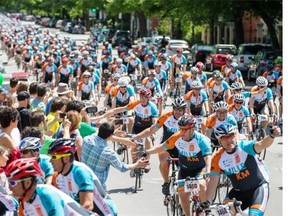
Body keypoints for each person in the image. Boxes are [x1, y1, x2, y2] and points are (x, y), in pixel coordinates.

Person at [204, 124, 281, 216]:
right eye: (224, 138)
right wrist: (207, 202)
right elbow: (213, 182)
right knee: (224, 214)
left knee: (254, 214)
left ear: (236, 137)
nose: (228, 140)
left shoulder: (244, 147)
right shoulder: (217, 158)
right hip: (238, 192)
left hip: (258, 187)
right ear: (219, 141)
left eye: (231, 136)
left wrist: (271, 136)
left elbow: (262, 144)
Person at [144, 114, 212, 216]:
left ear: (192, 129)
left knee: (201, 185)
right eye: (180, 129)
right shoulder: (176, 137)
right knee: (182, 195)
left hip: (199, 169)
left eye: (185, 130)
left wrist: (208, 171)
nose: (182, 132)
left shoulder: (201, 140)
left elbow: (208, 157)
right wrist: (147, 152)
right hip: (184, 170)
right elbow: (162, 147)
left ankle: (204, 209)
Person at [132, 97, 186, 195]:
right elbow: (151, 130)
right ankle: (166, 183)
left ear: (184, 110)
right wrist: (135, 137)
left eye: (181, 109)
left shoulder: (188, 119)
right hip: (166, 147)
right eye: (176, 109)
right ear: (173, 109)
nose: (178, 112)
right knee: (164, 162)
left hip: (183, 149)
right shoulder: (165, 117)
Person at [49, 138, 118, 215]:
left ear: (66, 158)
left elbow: (87, 206)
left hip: (105, 213)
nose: (50, 161)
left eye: (54, 157)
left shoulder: (80, 172)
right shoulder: (59, 177)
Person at [5, 158, 95, 215]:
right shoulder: (24, 204)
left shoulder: (46, 193)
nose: (9, 187)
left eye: (13, 183)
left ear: (27, 183)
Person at [81, 122, 149, 190]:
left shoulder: (86, 139)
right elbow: (122, 168)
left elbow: (98, 135)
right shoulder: (108, 153)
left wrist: (121, 139)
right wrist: (137, 164)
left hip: (81, 180)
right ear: (110, 135)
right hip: (96, 187)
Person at [0, 146, 18, 214]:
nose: (7, 159)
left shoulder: (2, 173)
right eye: (6, 155)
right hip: (4, 208)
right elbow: (3, 193)